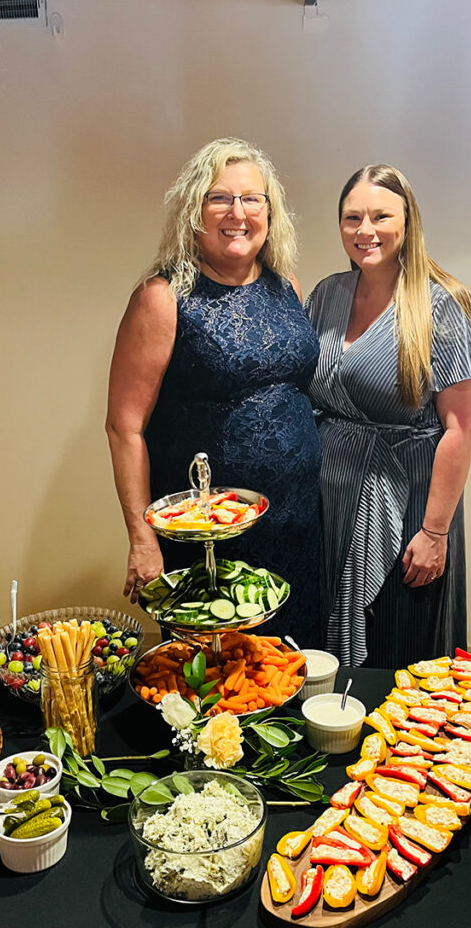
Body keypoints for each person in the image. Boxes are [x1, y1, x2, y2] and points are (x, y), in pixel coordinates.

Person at [106, 138, 322, 644]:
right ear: (193, 210)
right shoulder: (162, 298)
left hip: (296, 520)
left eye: (252, 199)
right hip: (209, 530)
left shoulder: (285, 284)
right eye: (219, 197)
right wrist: (142, 537)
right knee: (211, 678)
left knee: (288, 663)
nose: (238, 212)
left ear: (270, 211)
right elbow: (124, 427)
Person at [305, 164, 471, 668]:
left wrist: (434, 532)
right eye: (352, 218)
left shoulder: (444, 303)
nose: (365, 230)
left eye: (381, 216)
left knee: (399, 654)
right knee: (324, 655)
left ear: (408, 222)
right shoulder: (326, 295)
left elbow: (465, 425)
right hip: (332, 498)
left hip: (408, 503)